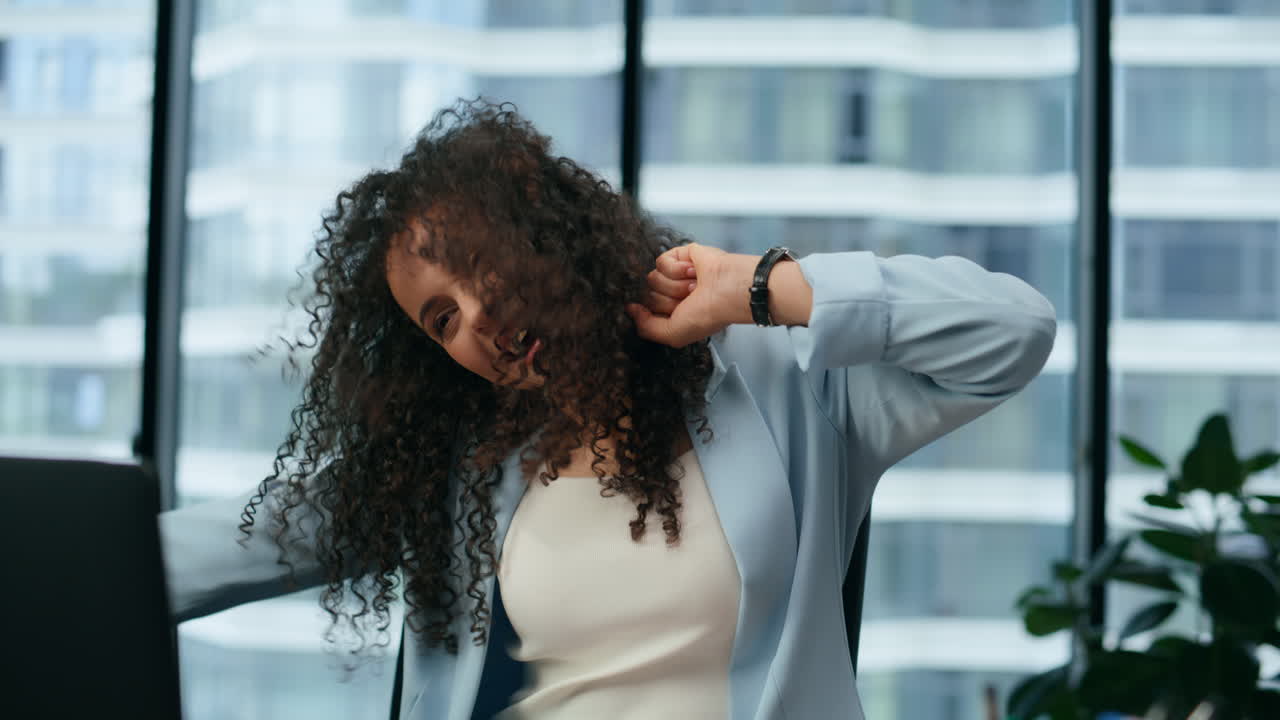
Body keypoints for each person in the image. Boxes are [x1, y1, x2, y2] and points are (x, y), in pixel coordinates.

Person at [158, 98, 1058, 720]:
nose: (477, 318)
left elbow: (1013, 331)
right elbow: (220, 548)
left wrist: (761, 286)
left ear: (541, 225)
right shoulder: (457, 461)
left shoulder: (788, 382)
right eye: (442, 319)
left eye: (478, 266)